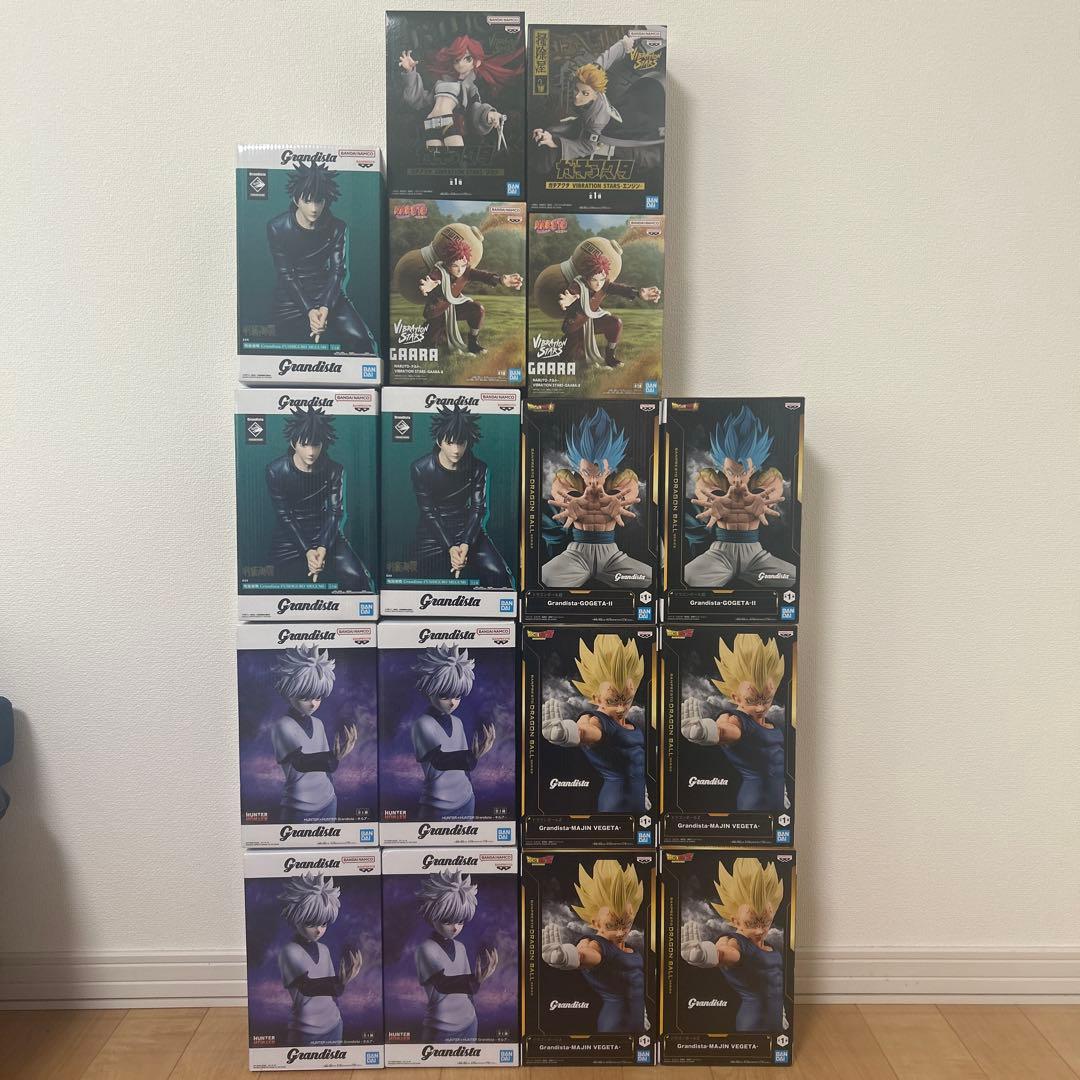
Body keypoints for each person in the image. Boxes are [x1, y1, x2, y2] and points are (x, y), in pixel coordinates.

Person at [266, 162, 378, 354]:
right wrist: (310, 310)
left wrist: (325, 307)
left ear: (326, 201)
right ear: (296, 200)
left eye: (319, 201)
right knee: (281, 345)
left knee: (363, 342)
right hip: (292, 297)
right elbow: (286, 275)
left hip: (328, 292)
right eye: (307, 201)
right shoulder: (277, 227)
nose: (314, 208)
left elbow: (337, 271)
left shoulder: (337, 228)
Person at [685, 406, 795, 588]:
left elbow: (775, 486)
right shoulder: (710, 479)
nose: (737, 479)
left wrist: (761, 500)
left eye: (743, 472)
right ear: (722, 467)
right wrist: (713, 501)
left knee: (791, 578)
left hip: (756, 555)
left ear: (753, 468)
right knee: (688, 577)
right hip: (720, 553)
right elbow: (703, 492)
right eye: (730, 472)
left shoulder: (767, 479)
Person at [265, 406, 372, 591]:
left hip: (326, 532)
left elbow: (335, 512)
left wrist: (322, 547)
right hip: (291, 536)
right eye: (304, 445)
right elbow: (285, 516)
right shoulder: (275, 470)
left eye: (316, 444)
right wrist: (308, 551)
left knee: (359, 580)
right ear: (293, 443)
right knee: (281, 583)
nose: (311, 452)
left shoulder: (334, 470)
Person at [542, 409, 649, 588]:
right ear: (578, 468)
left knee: (649, 579)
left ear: (609, 469)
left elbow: (631, 486)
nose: (592, 480)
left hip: (612, 556)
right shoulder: (567, 480)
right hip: (576, 555)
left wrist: (617, 500)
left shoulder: (622, 480)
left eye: (598, 473)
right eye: (586, 472)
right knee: (545, 578)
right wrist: (570, 501)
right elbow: (559, 487)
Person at [681, 634, 786, 811]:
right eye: (751, 700)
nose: (761, 707)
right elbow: (724, 730)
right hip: (755, 803)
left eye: (767, 699)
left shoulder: (768, 722)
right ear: (736, 698)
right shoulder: (735, 720)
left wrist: (783, 791)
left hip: (778, 803)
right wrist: (702, 732)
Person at [410, 405, 512, 586]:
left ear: (468, 442)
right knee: (415, 577)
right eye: (450, 443)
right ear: (439, 441)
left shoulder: (478, 468)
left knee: (500, 574)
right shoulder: (421, 468)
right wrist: (450, 547)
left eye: (461, 443)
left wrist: (465, 543)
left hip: (467, 528)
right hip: (433, 531)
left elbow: (478, 509)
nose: (456, 450)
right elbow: (428, 512)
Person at [541, 635, 645, 814]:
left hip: (639, 802)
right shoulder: (596, 720)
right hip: (617, 804)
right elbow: (586, 731)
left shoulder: (628, 722)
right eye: (612, 701)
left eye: (627, 699)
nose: (621, 707)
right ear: (597, 698)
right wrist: (565, 734)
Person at [680, 857, 785, 1032]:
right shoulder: (734, 942)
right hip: (753, 1023)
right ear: (735, 921)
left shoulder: (769, 945)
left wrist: (782, 1011)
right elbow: (724, 953)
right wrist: (703, 955)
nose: (760, 930)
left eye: (766, 922)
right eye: (751, 923)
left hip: (776, 1022)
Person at [540, 860, 645, 1033]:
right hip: (615, 1027)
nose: (621, 932)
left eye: (627, 923)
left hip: (638, 1027)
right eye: (612, 925)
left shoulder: (629, 945)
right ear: (596, 923)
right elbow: (585, 955)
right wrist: (565, 957)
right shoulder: (596, 945)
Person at [269, 647, 358, 823]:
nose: (313, 704)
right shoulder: (282, 726)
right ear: (288, 691)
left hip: (328, 801)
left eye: (318, 697)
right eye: (305, 697)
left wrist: (333, 760)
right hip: (298, 806)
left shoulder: (318, 724)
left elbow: (326, 769)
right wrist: (334, 756)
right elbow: (301, 762)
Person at [411, 646, 496, 821]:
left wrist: (471, 761)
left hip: (466, 798)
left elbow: (464, 767)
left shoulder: (457, 722)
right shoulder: (423, 724)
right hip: (437, 803)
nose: (452, 703)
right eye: (445, 696)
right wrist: (473, 755)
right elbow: (439, 760)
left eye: (457, 697)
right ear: (429, 690)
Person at [277, 873, 362, 1046]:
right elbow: (307, 987)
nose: (318, 930)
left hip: (334, 1024)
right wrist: (340, 980)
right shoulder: (289, 951)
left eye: (323, 924)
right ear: (295, 918)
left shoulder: (324, 950)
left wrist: (342, 981)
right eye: (311, 923)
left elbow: (333, 992)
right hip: (304, 1030)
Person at [398, 35, 522, 151]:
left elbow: (476, 107)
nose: (460, 63)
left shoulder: (470, 87)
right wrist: (410, 72)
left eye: (467, 58)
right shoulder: (440, 83)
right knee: (436, 161)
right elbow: (418, 99)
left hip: (447, 121)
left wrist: (489, 113)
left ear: (477, 62)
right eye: (456, 60)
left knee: (455, 158)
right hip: (431, 121)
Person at [415, 871, 499, 1042]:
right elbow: (442, 984)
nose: (455, 928)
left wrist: (475, 982)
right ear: (432, 916)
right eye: (448, 921)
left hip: (470, 1022)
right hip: (440, 1027)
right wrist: (475, 979)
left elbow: (468, 992)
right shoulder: (425, 949)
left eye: (460, 921)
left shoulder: (460, 948)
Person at [417, 232, 522, 355]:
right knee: (429, 345)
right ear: (447, 263)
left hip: (455, 308)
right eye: (455, 266)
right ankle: (434, 331)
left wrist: (500, 280)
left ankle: (473, 343)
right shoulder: (439, 271)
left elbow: (483, 275)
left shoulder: (466, 271)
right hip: (437, 313)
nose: (460, 270)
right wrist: (429, 285)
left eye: (463, 265)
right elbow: (433, 277)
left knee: (477, 309)